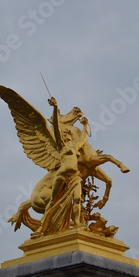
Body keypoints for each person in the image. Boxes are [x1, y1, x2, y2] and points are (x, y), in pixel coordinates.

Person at [33, 96, 88, 236]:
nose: (68, 136)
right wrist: (55, 107)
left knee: (76, 200)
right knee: (53, 201)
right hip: (62, 175)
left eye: (69, 136)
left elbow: (83, 138)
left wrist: (85, 125)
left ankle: (77, 224)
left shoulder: (76, 147)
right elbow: (56, 128)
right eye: (66, 136)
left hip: (74, 177)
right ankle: (42, 226)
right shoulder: (61, 147)